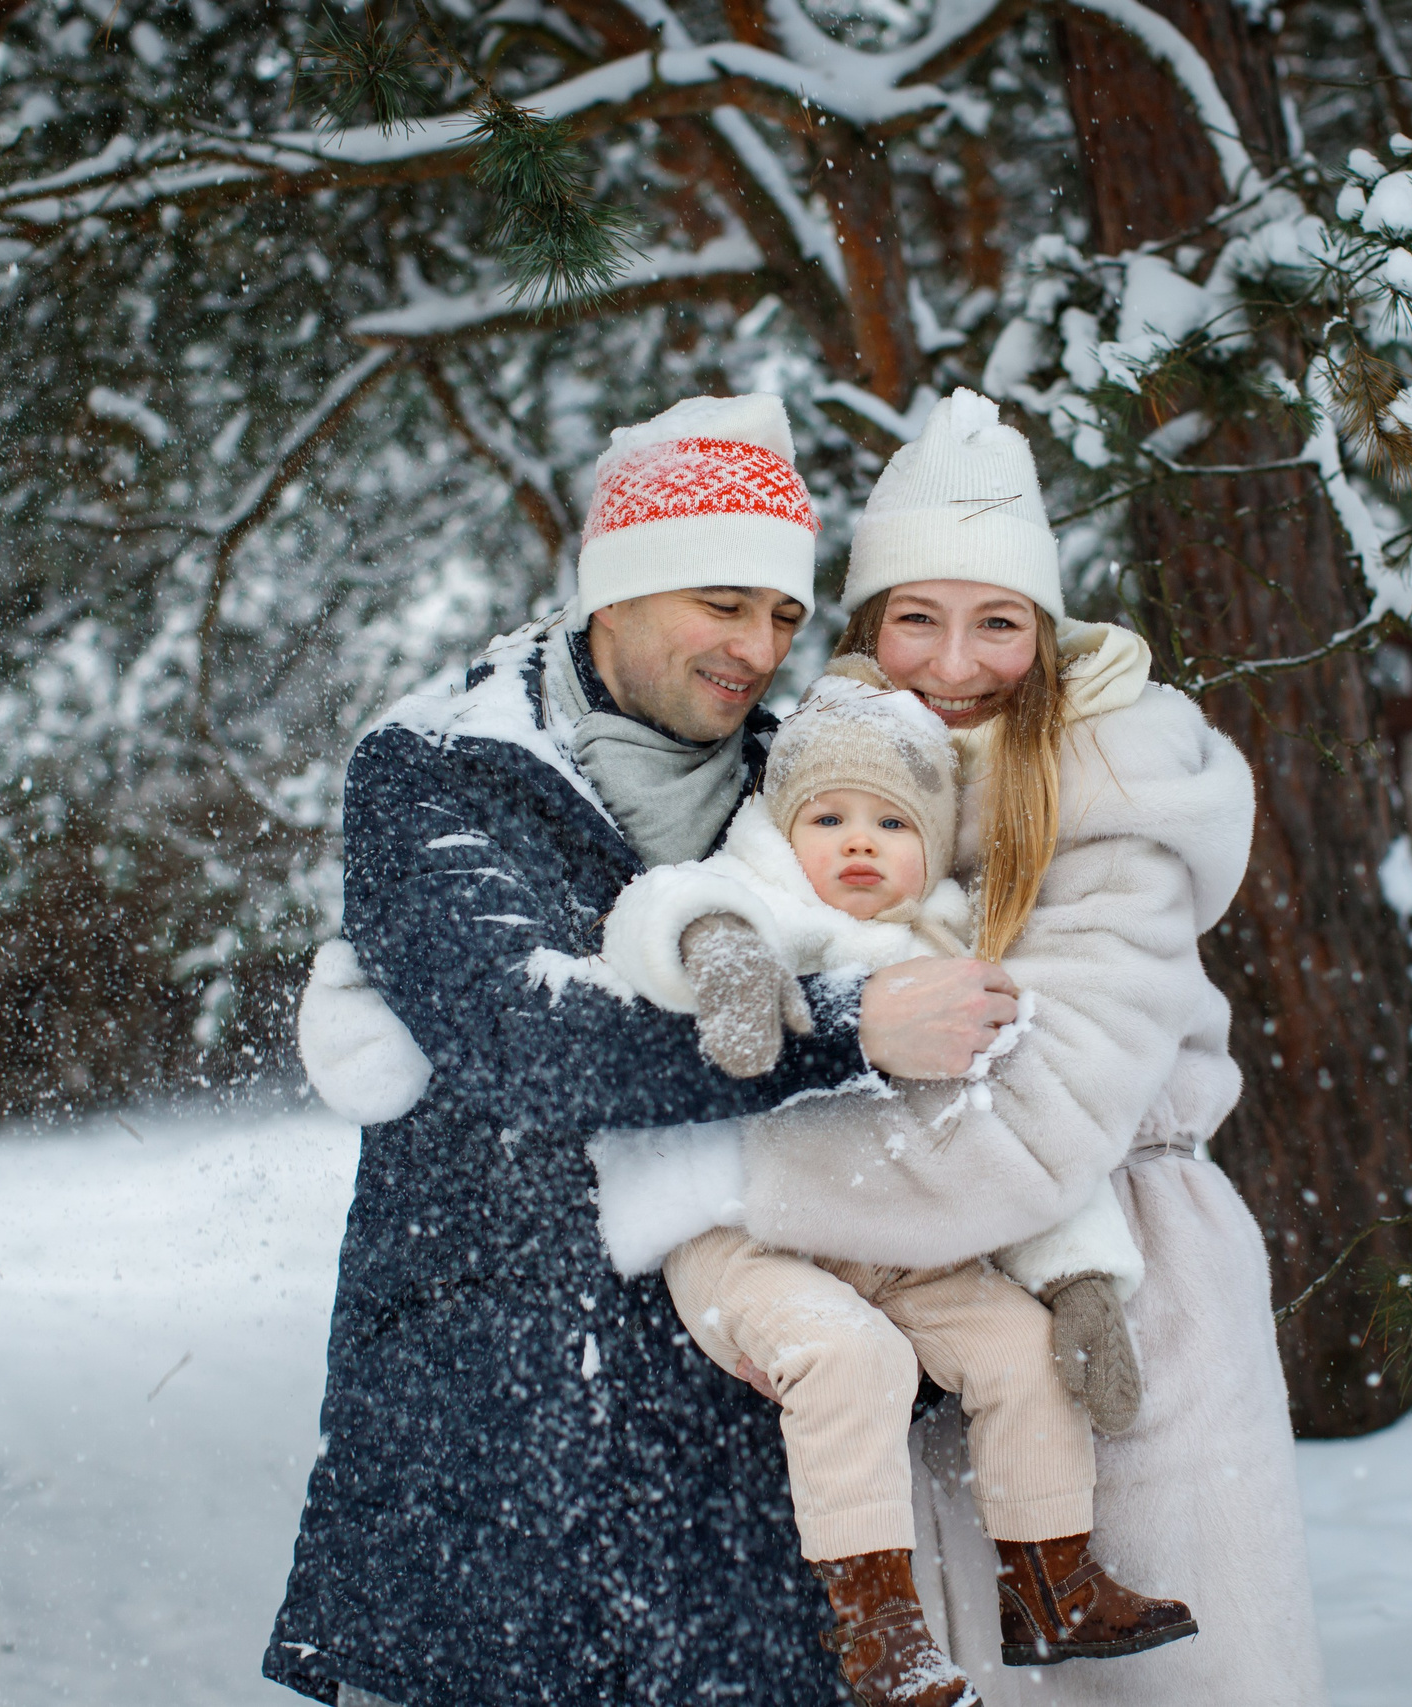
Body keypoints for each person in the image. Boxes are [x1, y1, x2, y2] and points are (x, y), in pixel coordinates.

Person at [262, 393, 1020, 1707]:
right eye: (722, 602)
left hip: (744, 1431)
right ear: (616, 588)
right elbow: (524, 1040)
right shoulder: (438, 767)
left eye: (781, 614)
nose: (758, 648)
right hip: (493, 1403)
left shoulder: (807, 787)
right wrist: (845, 1025)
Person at [720, 388, 1330, 1704]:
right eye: (915, 618)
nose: (953, 664)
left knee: (1171, 1680)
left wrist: (725, 1191)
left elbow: (1044, 1107)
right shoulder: (841, 779)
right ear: (867, 628)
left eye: (996, 621)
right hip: (931, 1273)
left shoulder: (1112, 787)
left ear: (1045, 632)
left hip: (1122, 1268)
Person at [584, 660, 1191, 1706]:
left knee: (1022, 1351)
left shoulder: (959, 958)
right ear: (784, 831)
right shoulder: (760, 902)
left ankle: (1052, 1584)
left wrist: (1079, 1277)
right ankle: (878, 1630)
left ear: (934, 842)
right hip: (751, 1238)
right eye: (828, 818)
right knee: (851, 1358)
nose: (858, 842)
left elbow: (1021, 1139)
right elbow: (654, 910)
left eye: (891, 822)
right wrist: (718, 950)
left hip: (907, 1250)